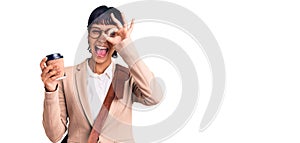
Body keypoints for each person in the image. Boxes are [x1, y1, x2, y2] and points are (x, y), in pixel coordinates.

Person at [40, 5, 162, 143]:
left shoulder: (128, 76)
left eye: (111, 33)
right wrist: (50, 90)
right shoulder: (66, 77)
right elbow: (54, 136)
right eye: (96, 31)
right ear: (88, 36)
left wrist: (127, 48)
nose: (102, 39)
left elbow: (155, 97)